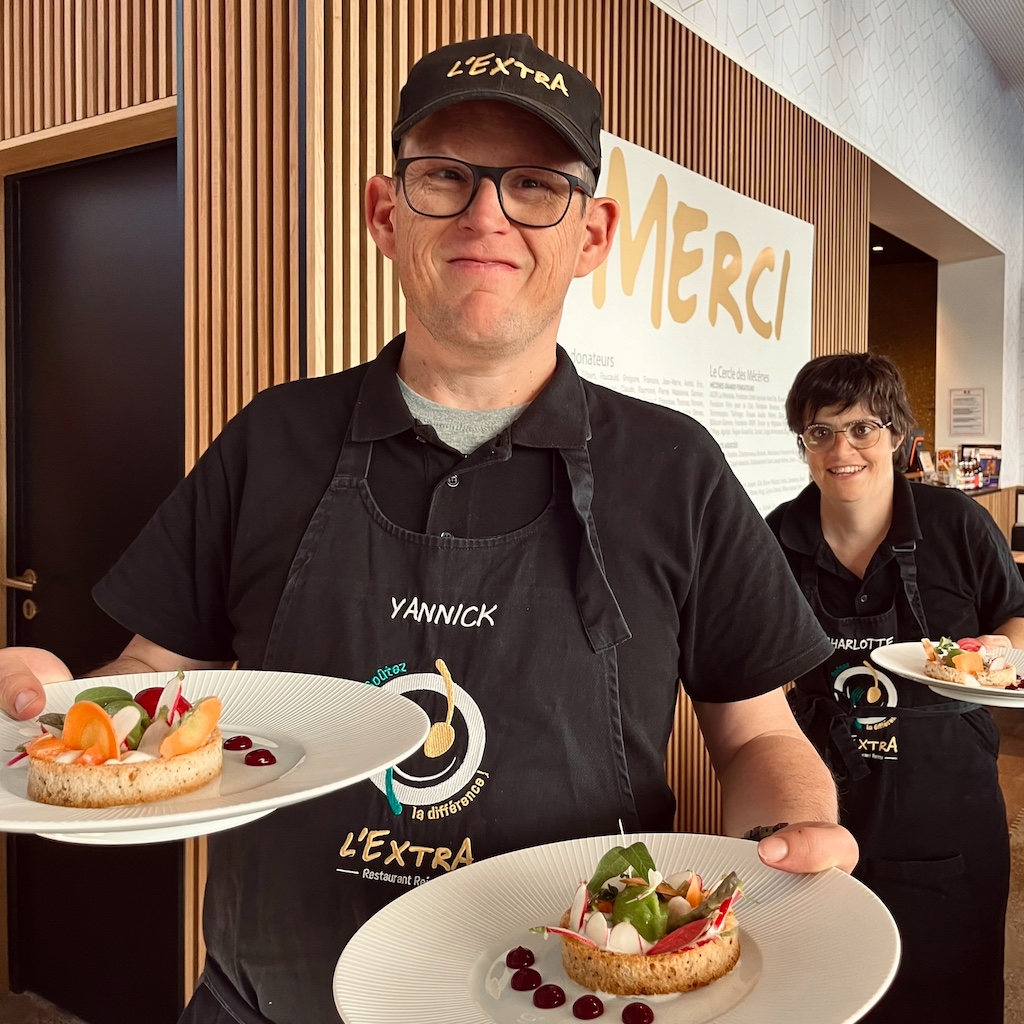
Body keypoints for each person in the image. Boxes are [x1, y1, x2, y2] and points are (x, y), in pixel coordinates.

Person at [1, 35, 857, 1024]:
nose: (487, 213)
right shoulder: (272, 437)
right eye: (445, 176)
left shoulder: (672, 466)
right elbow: (161, 672)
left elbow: (753, 728)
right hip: (267, 1002)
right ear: (384, 212)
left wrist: (794, 831)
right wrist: (74, 714)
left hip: (560, 1000)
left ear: (591, 234)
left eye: (535, 184)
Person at [766, 351, 1023, 1024]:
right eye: (819, 432)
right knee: (830, 981)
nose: (841, 448)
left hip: (946, 802)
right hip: (823, 796)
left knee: (951, 985)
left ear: (897, 436)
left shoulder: (954, 524)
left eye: (861, 429)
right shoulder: (778, 538)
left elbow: (1017, 613)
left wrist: (1001, 649)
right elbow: (746, 660)